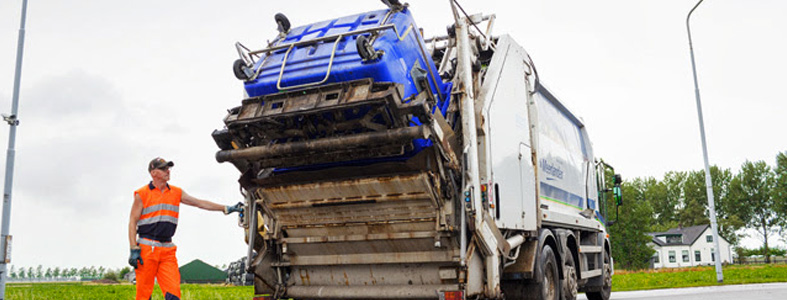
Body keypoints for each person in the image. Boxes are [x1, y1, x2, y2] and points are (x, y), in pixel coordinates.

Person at [128, 157, 243, 300]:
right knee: (144, 295)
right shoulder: (142, 194)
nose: (167, 171)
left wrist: (225, 208)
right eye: (163, 168)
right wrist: (134, 248)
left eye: (168, 168)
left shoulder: (176, 192)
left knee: (173, 294)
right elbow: (132, 221)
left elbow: (199, 203)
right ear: (153, 173)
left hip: (167, 249)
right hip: (147, 248)